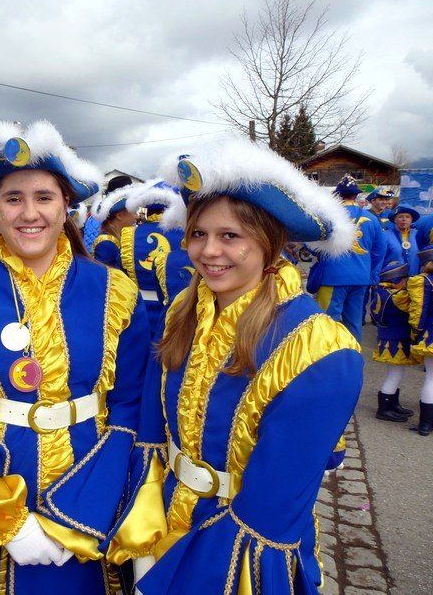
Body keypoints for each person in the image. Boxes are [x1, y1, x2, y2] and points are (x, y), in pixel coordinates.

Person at [103, 139, 363, 594]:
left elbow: (269, 510)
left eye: (230, 236)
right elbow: (152, 429)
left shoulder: (320, 349)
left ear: (269, 242)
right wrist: (143, 530)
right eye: (198, 234)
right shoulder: (183, 310)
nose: (208, 251)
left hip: (232, 553)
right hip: (162, 521)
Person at [0, 121, 150, 594]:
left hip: (92, 486)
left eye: (44, 197)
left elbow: (130, 409)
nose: (30, 213)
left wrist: (87, 510)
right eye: (13, 198)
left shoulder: (117, 291)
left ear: (67, 205)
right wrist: (3, 518)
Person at [308, 174, 386, 341]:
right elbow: (380, 250)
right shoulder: (372, 219)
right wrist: (370, 272)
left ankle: (328, 356)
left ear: (337, 195)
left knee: (327, 322)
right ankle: (353, 355)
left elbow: (311, 246)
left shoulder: (328, 216)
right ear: (356, 196)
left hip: (332, 277)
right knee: (354, 322)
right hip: (360, 278)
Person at [117, 180, 186, 331]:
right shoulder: (187, 234)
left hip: (139, 312)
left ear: (145, 206)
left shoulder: (130, 235)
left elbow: (120, 273)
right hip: (179, 314)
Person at [370, 259, 416, 422]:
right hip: (395, 339)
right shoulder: (398, 297)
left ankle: (393, 404)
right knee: (394, 374)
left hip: (386, 337)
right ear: (397, 280)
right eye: (404, 279)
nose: (406, 282)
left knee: (396, 373)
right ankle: (384, 409)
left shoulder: (380, 291)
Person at [406, 246, 433, 436]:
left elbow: (419, 310)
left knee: (431, 378)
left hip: (431, 333)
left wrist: (416, 332)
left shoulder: (424, 281)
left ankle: (425, 424)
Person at [89, 180, 136, 269]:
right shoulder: (106, 243)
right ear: (119, 215)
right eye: (133, 212)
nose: (136, 217)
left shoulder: (115, 239)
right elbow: (105, 276)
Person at [385, 205, 420, 275]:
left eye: (407, 217)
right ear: (394, 220)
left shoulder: (418, 234)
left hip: (415, 277)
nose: (404, 219)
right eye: (400, 217)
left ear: (411, 220)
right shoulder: (385, 235)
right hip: (393, 278)